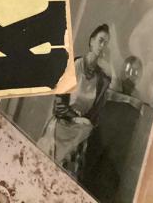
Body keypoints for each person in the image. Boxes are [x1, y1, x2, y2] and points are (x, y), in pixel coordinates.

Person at [38, 24, 111, 177]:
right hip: (61, 125)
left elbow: (94, 116)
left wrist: (83, 122)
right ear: (91, 41)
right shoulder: (75, 66)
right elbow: (59, 105)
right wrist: (76, 118)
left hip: (80, 132)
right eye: (101, 41)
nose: (102, 46)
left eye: (106, 44)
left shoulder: (101, 80)